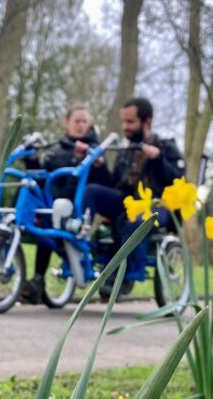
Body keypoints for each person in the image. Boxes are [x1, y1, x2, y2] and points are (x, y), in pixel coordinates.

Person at [82, 97, 186, 297]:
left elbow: (179, 180)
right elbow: (113, 184)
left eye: (130, 122)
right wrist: (100, 167)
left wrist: (158, 159)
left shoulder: (165, 147)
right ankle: (80, 238)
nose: (125, 127)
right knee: (92, 191)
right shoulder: (126, 151)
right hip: (128, 203)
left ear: (146, 121)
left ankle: (122, 275)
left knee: (137, 220)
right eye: (123, 122)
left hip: (159, 206)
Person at [21, 103, 110, 303]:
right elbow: (43, 179)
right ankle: (37, 280)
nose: (81, 125)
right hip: (53, 205)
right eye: (77, 121)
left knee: (53, 217)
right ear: (66, 123)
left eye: (84, 121)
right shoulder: (55, 150)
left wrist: (94, 162)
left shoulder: (96, 150)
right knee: (44, 225)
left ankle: (39, 280)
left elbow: (106, 182)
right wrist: (32, 160)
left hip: (79, 206)